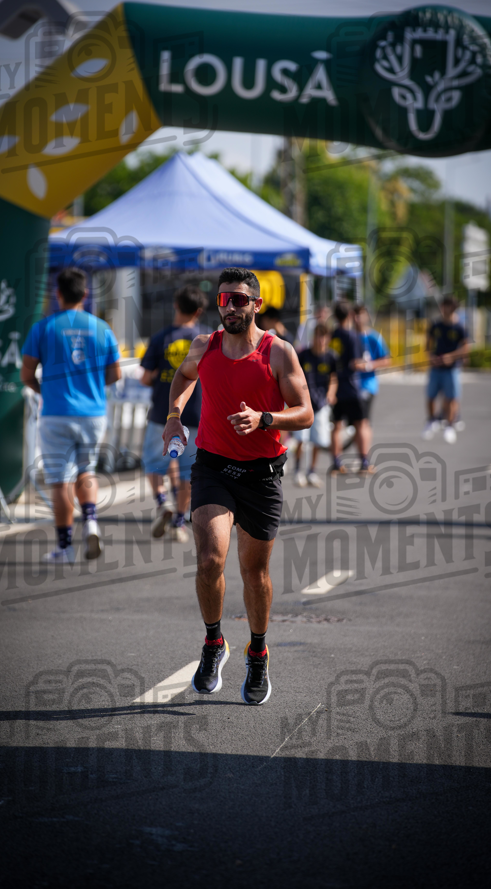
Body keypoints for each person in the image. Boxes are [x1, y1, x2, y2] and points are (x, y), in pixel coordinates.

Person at [161, 267, 313, 705]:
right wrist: (174, 416)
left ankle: (258, 652)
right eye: (224, 300)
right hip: (211, 466)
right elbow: (184, 378)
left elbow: (305, 413)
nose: (230, 307)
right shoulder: (203, 346)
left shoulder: (278, 353)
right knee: (210, 560)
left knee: (254, 573)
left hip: (262, 475)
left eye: (239, 300)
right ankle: (213, 644)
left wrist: (265, 418)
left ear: (256, 305)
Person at [21, 267, 121, 563]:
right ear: (86, 295)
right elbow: (114, 374)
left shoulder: (43, 327)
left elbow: (26, 373)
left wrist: (44, 391)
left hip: (56, 413)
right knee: (86, 469)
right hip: (92, 413)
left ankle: (65, 547)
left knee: (59, 480)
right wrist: (90, 387)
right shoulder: (102, 328)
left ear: (58, 294)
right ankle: (90, 521)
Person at [140, 285, 209, 543]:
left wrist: (162, 377)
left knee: (153, 462)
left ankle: (161, 503)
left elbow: (146, 377)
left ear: (175, 305)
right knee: (187, 473)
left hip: (163, 413)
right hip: (196, 415)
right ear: (199, 311)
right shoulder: (207, 339)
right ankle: (179, 523)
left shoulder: (160, 338)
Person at [329, 300, 373, 475]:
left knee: (336, 425)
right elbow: (355, 362)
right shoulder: (352, 336)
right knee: (361, 424)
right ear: (349, 315)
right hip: (351, 387)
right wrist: (366, 363)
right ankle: (364, 462)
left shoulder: (331, 335)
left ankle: (336, 462)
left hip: (334, 387)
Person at [294, 323, 337, 487]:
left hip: (320, 404)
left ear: (328, 339)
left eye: (324, 336)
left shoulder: (331, 357)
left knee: (317, 440)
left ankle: (312, 471)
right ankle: (298, 470)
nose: (321, 339)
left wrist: (331, 394)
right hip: (303, 404)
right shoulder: (304, 354)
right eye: (318, 335)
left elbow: (334, 377)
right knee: (301, 439)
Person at [422, 295, 469, 444]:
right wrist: (431, 357)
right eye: (442, 306)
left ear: (453, 307)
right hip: (436, 368)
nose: (443, 309)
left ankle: (450, 425)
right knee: (431, 396)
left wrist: (452, 356)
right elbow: (428, 345)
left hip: (452, 368)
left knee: (451, 397)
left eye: (446, 306)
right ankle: (431, 421)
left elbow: (466, 347)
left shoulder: (459, 327)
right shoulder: (436, 325)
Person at [348, 302, 391, 451]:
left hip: (366, 385)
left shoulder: (373, 337)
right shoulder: (348, 336)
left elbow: (387, 359)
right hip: (348, 386)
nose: (357, 318)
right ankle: (359, 455)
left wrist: (368, 365)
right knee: (354, 423)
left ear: (366, 316)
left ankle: (364, 459)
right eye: (355, 315)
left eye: (360, 314)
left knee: (363, 422)